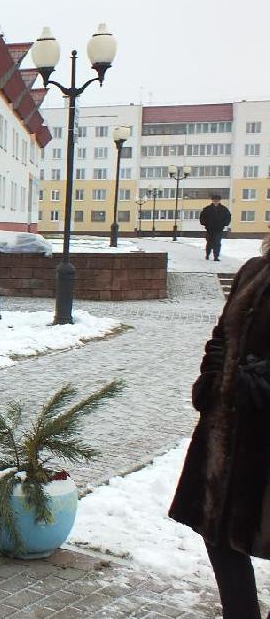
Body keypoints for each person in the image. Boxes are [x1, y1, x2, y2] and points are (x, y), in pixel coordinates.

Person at [169, 233, 270, 619]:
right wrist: (213, 379)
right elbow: (220, 338)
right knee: (219, 536)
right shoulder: (255, 271)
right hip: (228, 434)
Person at [199, 195, 231, 262]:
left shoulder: (224, 209)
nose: (216, 201)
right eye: (214, 200)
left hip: (219, 229)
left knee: (217, 243)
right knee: (209, 242)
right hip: (209, 229)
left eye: (217, 200)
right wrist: (205, 223)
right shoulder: (207, 209)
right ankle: (207, 254)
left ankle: (216, 256)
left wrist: (225, 223)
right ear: (212, 200)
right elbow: (202, 217)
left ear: (219, 201)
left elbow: (228, 217)